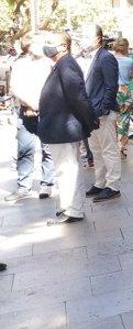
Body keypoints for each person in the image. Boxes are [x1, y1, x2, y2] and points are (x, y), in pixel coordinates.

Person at [37, 31, 97, 225]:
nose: (47, 45)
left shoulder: (66, 64)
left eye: (51, 42)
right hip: (60, 127)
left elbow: (77, 96)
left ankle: (73, 209)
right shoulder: (63, 64)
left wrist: (90, 119)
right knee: (66, 168)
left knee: (67, 169)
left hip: (63, 127)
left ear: (63, 46)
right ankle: (69, 206)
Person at [4, 32, 55, 203]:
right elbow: (14, 87)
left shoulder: (49, 63)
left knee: (48, 149)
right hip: (26, 111)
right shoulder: (20, 64)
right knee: (25, 148)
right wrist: (30, 103)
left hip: (47, 111)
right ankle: (23, 186)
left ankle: (47, 183)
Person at [84, 25, 121, 202]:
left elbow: (111, 86)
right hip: (92, 112)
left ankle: (113, 185)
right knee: (96, 150)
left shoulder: (106, 58)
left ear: (98, 39)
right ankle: (100, 182)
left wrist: (104, 109)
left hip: (102, 112)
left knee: (108, 149)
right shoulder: (91, 57)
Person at [113, 38, 133, 157]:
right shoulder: (129, 61)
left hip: (113, 90)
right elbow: (132, 76)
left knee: (113, 119)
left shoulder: (110, 59)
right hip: (125, 90)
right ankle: (120, 146)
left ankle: (114, 145)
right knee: (124, 120)